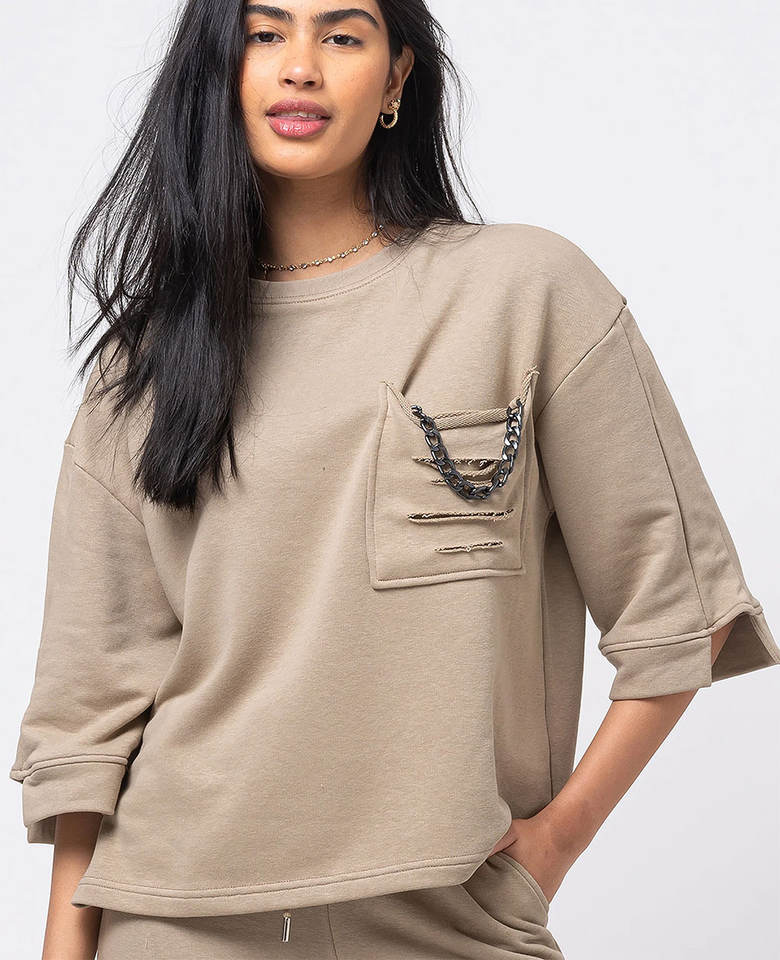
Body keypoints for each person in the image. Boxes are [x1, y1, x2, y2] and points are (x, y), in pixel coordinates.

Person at [9, 1, 779, 959]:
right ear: (218, 70)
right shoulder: (147, 362)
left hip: (449, 920)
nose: (300, 66)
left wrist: (555, 844)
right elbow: (89, 715)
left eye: (341, 35)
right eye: (263, 34)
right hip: (172, 918)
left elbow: (684, 612)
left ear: (397, 79)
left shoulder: (524, 291)